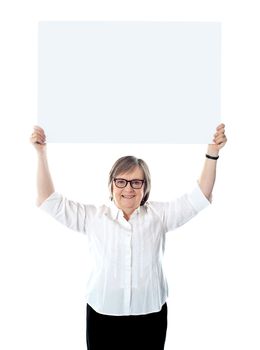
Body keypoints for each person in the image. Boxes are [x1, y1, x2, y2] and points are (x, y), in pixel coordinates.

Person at [30, 124, 227, 350]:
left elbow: (202, 194)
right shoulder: (93, 217)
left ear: (145, 188)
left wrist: (213, 153)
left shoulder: (160, 215)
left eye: (136, 182)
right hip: (102, 315)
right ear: (112, 185)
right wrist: (41, 153)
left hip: (150, 315)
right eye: (121, 181)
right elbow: (48, 199)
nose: (128, 189)